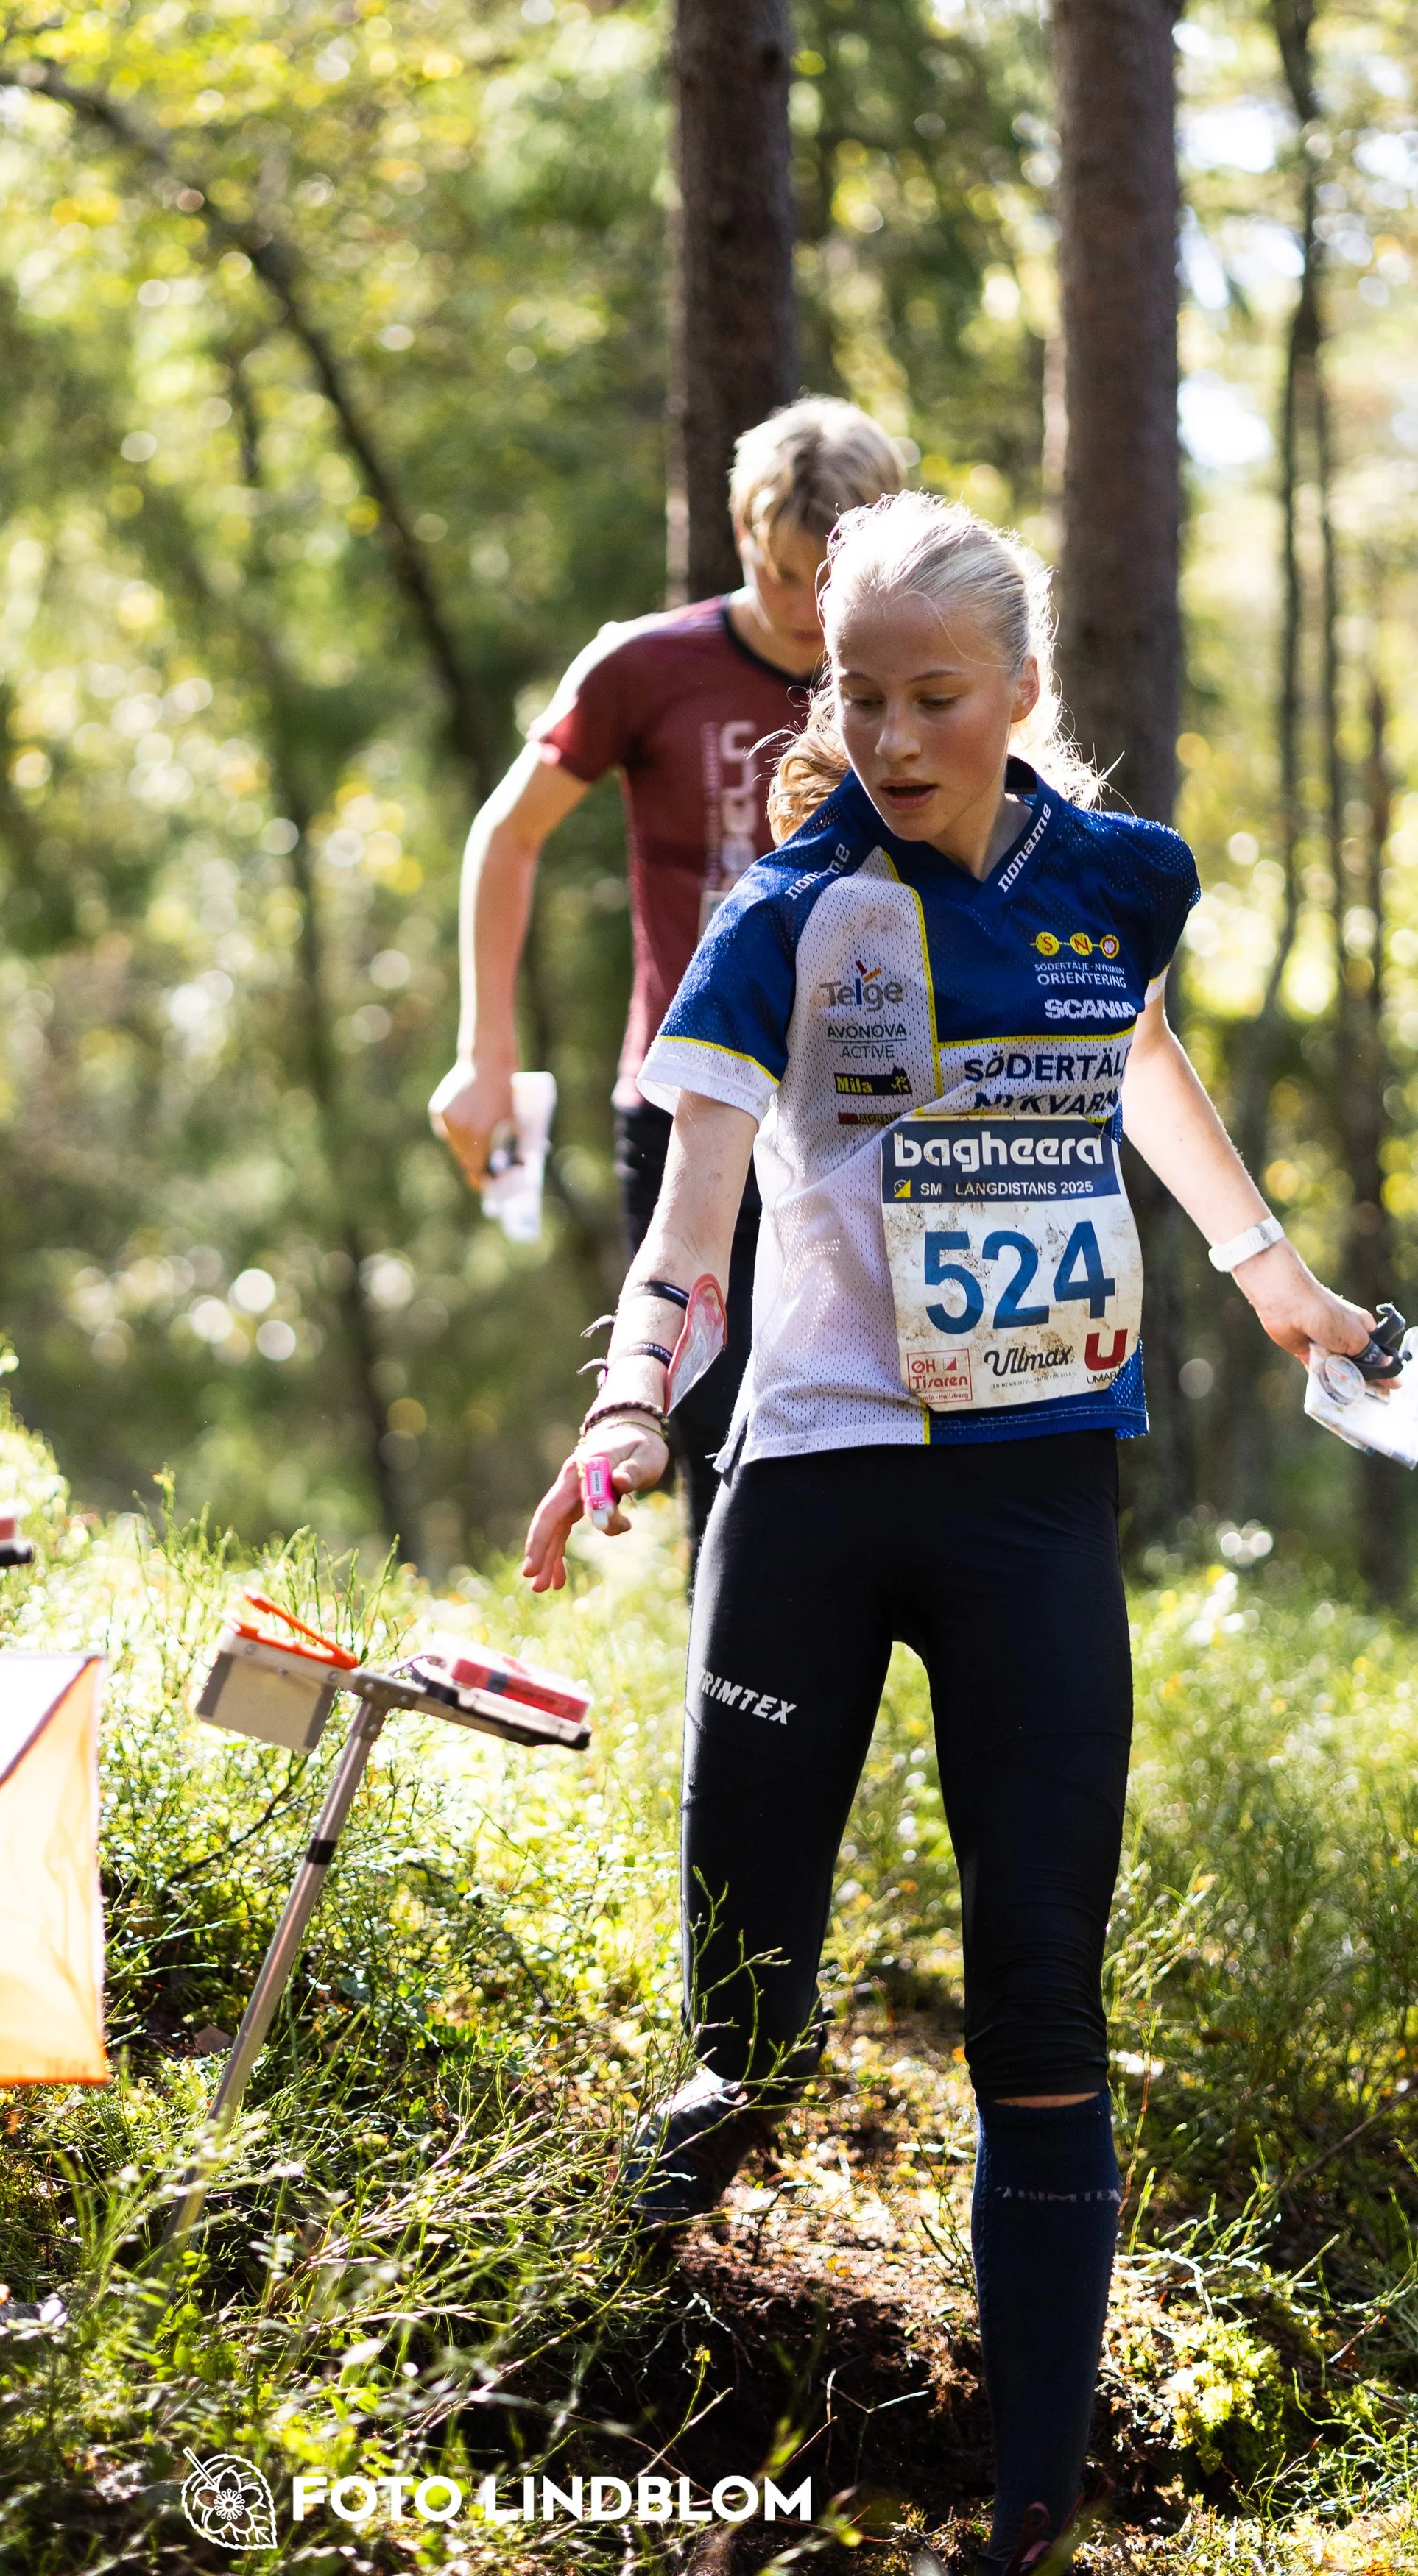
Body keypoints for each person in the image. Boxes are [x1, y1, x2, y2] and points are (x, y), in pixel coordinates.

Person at [522, 492, 1380, 2574]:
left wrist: (1268, 1274)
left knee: (1040, 2021)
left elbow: (1133, 1052)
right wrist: (628, 1400)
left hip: (1028, 1497)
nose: (892, 736)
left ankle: (1030, 2517)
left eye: (932, 697)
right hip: (811, 1492)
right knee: (748, 2022)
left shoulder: (1120, 881)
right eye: (858, 696)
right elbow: (687, 1223)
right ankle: (538, 2334)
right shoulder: (781, 917)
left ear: (1015, 692)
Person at [428, 399, 903, 1546]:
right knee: (711, 1433)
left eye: (828, 583)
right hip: (690, 1099)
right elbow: (508, 834)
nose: (803, 611)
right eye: (781, 573)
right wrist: (486, 1052)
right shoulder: (646, 667)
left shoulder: (917, 680)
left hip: (870, 1104)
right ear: (741, 534)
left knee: (879, 1434)